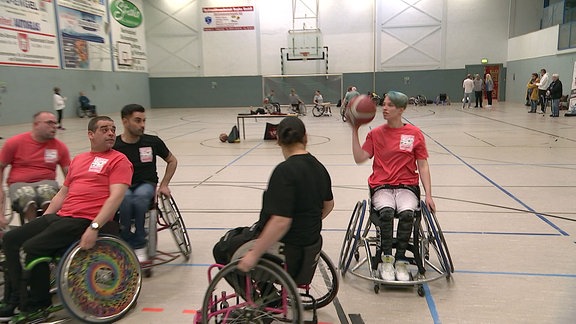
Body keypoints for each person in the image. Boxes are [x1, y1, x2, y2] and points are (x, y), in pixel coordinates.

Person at [0, 116, 132, 323]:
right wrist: (44, 220)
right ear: (91, 134)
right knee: (11, 239)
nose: (110, 133)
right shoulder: (79, 160)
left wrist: (94, 227)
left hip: (86, 219)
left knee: (33, 247)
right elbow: (62, 194)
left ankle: (38, 305)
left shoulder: (119, 161)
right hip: (63, 216)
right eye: (104, 129)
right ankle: (14, 298)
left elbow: (116, 197)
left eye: (113, 130)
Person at [213, 116, 334, 278]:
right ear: (306, 138)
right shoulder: (319, 168)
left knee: (222, 248)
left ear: (278, 141)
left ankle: (262, 299)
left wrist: (254, 254)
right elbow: (329, 205)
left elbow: (281, 222)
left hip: (286, 250)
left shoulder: (284, 171)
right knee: (240, 235)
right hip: (310, 245)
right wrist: (306, 223)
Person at [350, 91, 435, 282]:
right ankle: (386, 260)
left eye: (390, 105)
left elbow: (422, 164)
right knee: (386, 213)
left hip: (407, 187)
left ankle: (401, 261)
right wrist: (355, 131)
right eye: (384, 104)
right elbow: (359, 158)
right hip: (382, 186)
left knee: (407, 214)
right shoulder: (376, 134)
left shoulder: (414, 134)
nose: (384, 108)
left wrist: (428, 195)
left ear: (401, 109)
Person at [113, 104, 178, 262]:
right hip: (123, 185)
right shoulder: (115, 145)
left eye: (144, 120)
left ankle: (140, 243)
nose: (142, 124)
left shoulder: (152, 142)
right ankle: (127, 240)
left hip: (146, 184)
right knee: (126, 198)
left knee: (140, 198)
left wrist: (164, 185)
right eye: (137, 120)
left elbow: (172, 160)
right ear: (125, 121)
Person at [0, 112, 70, 225]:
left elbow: (70, 175)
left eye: (55, 123)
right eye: (49, 123)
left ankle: (47, 226)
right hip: (19, 184)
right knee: (27, 196)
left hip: (48, 183)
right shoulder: (14, 143)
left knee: (47, 194)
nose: (54, 126)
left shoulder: (60, 147)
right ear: (36, 124)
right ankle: (32, 227)